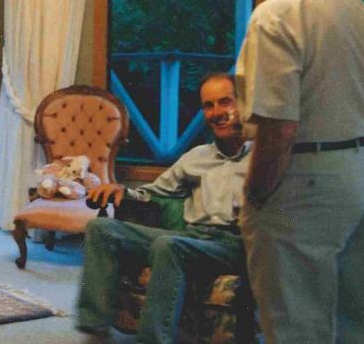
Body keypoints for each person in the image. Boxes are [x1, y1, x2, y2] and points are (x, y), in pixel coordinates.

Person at [235, 0, 364, 344]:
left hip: (306, 178)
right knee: (356, 316)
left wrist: (256, 196)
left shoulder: (275, 14)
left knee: (295, 317)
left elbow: (278, 127)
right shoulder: (355, 6)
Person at [76, 73, 251, 343]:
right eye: (208, 105)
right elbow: (154, 192)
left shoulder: (262, 158)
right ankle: (95, 328)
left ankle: (153, 339)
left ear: (242, 104)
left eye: (225, 102)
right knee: (101, 229)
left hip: (233, 245)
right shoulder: (196, 157)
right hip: (193, 238)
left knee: (169, 246)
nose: (216, 112)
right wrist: (123, 190)